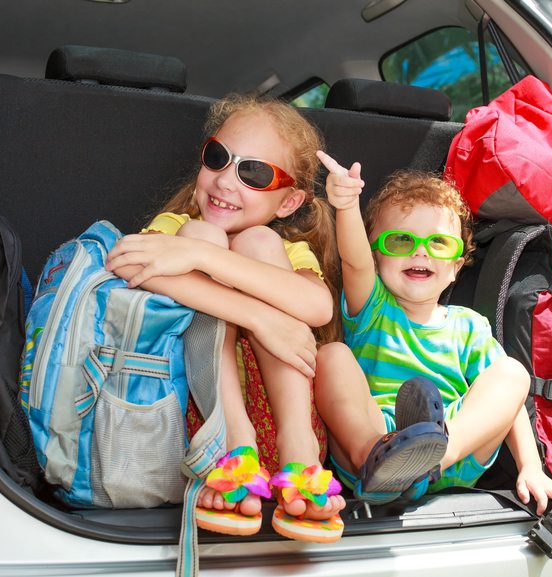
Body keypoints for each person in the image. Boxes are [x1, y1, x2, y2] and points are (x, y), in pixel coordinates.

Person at [105, 94, 346, 542]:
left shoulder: (286, 250)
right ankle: (235, 443)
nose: (225, 181)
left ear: (290, 202)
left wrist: (197, 257)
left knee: (254, 244)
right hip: (195, 424)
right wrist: (259, 317)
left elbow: (318, 309)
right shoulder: (176, 227)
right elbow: (126, 263)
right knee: (201, 232)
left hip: (283, 425)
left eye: (253, 172)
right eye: (218, 158)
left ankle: (300, 452)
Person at [313, 153, 552, 514]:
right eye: (400, 241)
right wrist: (346, 204)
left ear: (456, 267)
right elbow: (353, 260)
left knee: (511, 373)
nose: (421, 250)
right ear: (375, 258)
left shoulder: (468, 326)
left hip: (453, 453)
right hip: (374, 439)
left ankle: (430, 455)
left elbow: (508, 407)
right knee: (331, 356)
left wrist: (531, 467)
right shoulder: (372, 308)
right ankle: (377, 461)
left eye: (439, 244)